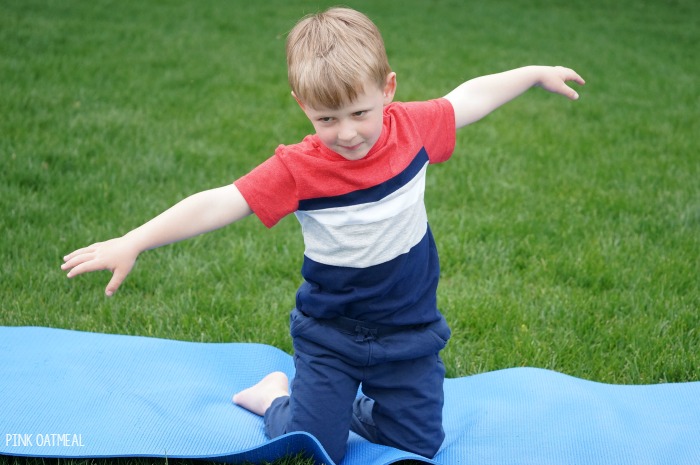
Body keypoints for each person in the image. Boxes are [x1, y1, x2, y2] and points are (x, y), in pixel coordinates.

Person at [61, 6, 584, 464]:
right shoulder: (298, 168)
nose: (348, 132)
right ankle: (275, 396)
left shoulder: (415, 129)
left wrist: (533, 73)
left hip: (409, 330)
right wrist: (134, 240)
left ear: (389, 89)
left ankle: (349, 404)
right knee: (316, 442)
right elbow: (222, 201)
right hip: (331, 333)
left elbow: (469, 96)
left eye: (360, 112)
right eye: (326, 119)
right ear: (301, 106)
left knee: (421, 443)